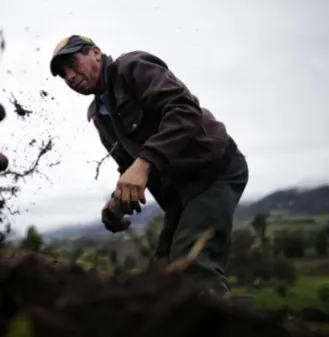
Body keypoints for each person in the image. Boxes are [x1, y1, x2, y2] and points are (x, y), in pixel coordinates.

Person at [49, 35, 249, 296]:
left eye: (73, 64)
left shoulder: (133, 67)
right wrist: (117, 202)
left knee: (192, 266)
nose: (70, 77)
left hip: (214, 172)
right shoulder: (100, 116)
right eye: (63, 75)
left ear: (96, 52)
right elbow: (130, 167)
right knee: (163, 273)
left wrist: (143, 163)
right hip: (181, 191)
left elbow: (184, 110)